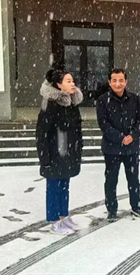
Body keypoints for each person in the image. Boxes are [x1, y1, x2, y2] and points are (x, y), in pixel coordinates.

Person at [96, 68, 140, 221]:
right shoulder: (102, 100)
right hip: (111, 148)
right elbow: (103, 123)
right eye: (114, 80)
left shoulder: (134, 99)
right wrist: (120, 138)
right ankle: (112, 209)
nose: (117, 84)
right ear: (109, 82)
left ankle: (136, 206)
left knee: (133, 179)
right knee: (111, 180)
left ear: (126, 82)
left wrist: (133, 136)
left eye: (121, 80)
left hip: (131, 148)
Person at [36, 69, 84, 235]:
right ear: (58, 85)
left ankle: (64, 216)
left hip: (68, 153)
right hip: (54, 154)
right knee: (53, 188)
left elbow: (77, 130)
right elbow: (42, 134)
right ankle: (54, 221)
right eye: (68, 81)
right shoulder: (49, 104)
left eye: (72, 81)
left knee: (65, 187)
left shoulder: (72, 104)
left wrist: (78, 148)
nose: (72, 84)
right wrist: (45, 160)